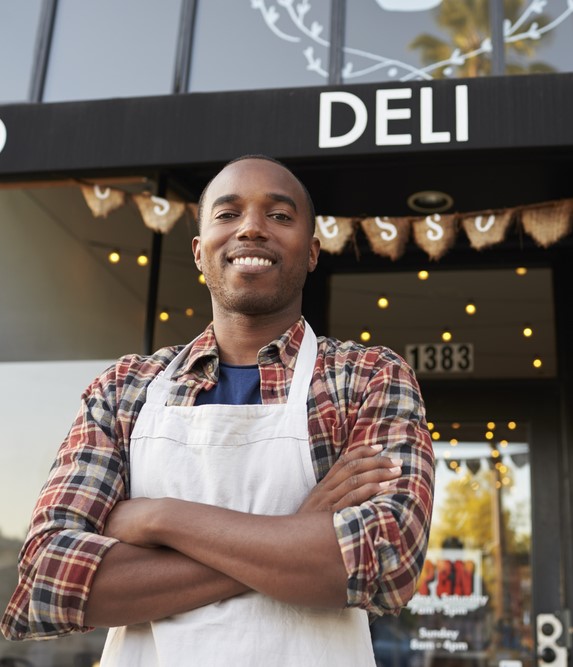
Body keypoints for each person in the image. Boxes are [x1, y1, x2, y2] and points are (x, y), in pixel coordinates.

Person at [1, 155, 435, 666]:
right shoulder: (124, 389)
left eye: (279, 215)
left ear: (312, 251)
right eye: (228, 214)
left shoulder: (369, 377)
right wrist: (298, 529)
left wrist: (161, 519)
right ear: (198, 251)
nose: (251, 228)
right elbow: (48, 582)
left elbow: (386, 562)